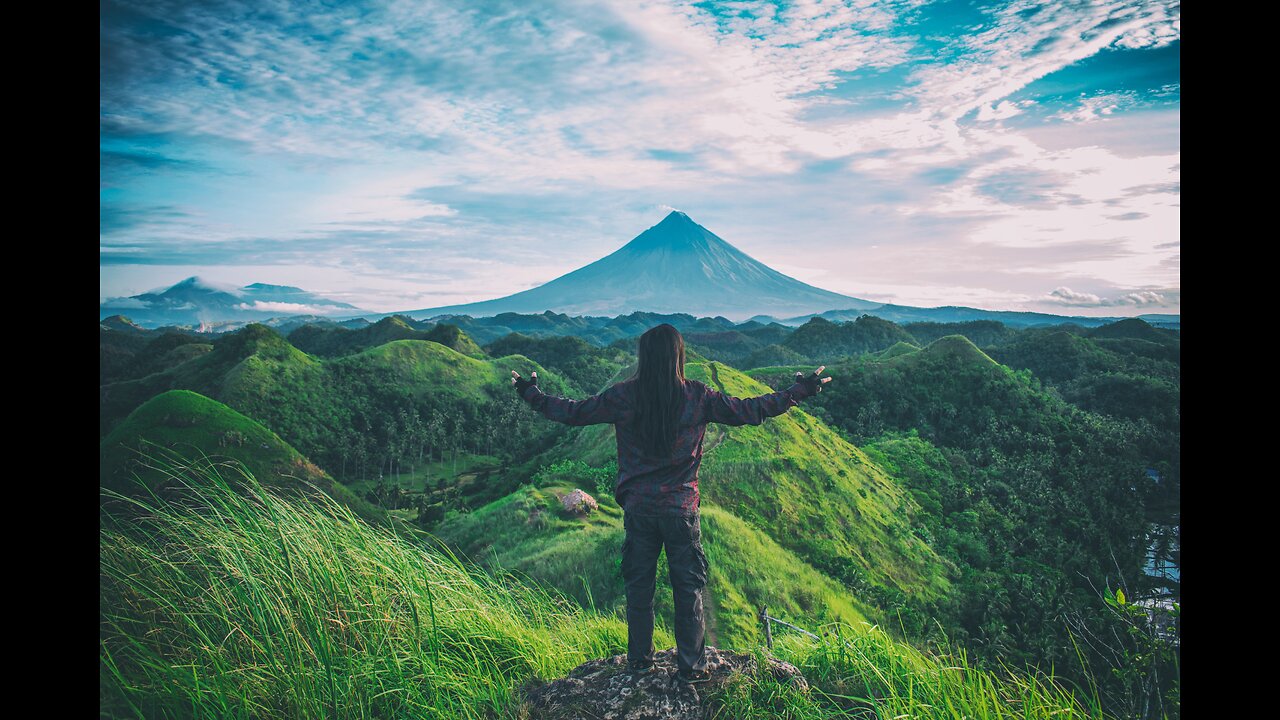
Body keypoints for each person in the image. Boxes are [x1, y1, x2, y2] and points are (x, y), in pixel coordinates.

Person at [511, 323, 830, 686]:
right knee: (688, 589)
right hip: (680, 510)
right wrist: (798, 391)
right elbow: (750, 410)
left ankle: (640, 663)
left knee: (639, 588)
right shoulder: (698, 396)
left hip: (640, 510)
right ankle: (692, 668)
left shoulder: (624, 396)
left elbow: (573, 412)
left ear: (644, 358)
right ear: (679, 357)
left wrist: (531, 394)